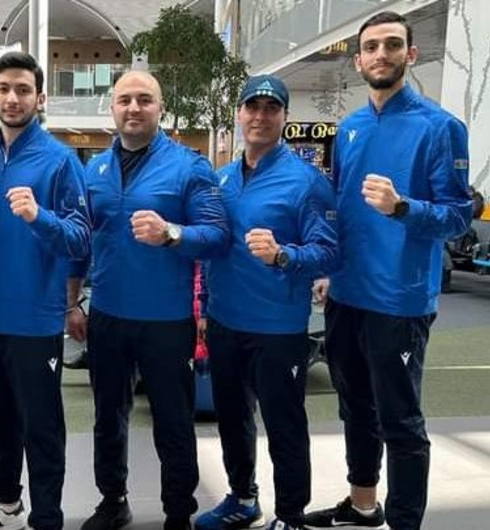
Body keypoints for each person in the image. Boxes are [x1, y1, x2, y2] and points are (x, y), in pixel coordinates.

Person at [304, 11, 471, 530]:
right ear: (357, 61)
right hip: (346, 294)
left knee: (400, 420)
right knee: (355, 407)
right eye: (371, 47)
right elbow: (344, 211)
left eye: (392, 44)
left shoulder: (441, 128)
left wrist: (403, 207)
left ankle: (404, 522)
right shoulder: (350, 128)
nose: (381, 54)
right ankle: (362, 505)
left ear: (410, 54)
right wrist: (328, 268)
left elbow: (458, 217)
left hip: (399, 300)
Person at [68, 70, 229, 530]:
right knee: (107, 417)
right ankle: (112, 499)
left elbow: (218, 236)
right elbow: (81, 244)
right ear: (112, 109)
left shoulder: (190, 167)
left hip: (166, 321)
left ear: (161, 108)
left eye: (144, 99)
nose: (134, 108)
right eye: (125, 100)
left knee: (173, 422)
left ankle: (179, 511)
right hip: (107, 317)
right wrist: (72, 302)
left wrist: (172, 233)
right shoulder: (94, 170)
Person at [0, 51, 90, 530]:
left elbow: (80, 239)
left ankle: (47, 517)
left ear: (40, 98)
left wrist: (39, 216)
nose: (13, 98)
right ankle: (7, 506)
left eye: (23, 90)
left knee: (42, 427)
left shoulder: (60, 160)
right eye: (5, 89)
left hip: (35, 320)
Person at [194, 75, 337, 530]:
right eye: (252, 107)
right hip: (224, 322)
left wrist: (283, 255)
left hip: (278, 329)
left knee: (284, 425)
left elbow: (329, 252)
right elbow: (211, 250)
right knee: (232, 419)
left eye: (271, 108)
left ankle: (291, 516)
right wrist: (203, 306)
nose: (260, 116)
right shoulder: (220, 179)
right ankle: (242, 498)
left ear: (284, 117)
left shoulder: (307, 181)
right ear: (239, 114)